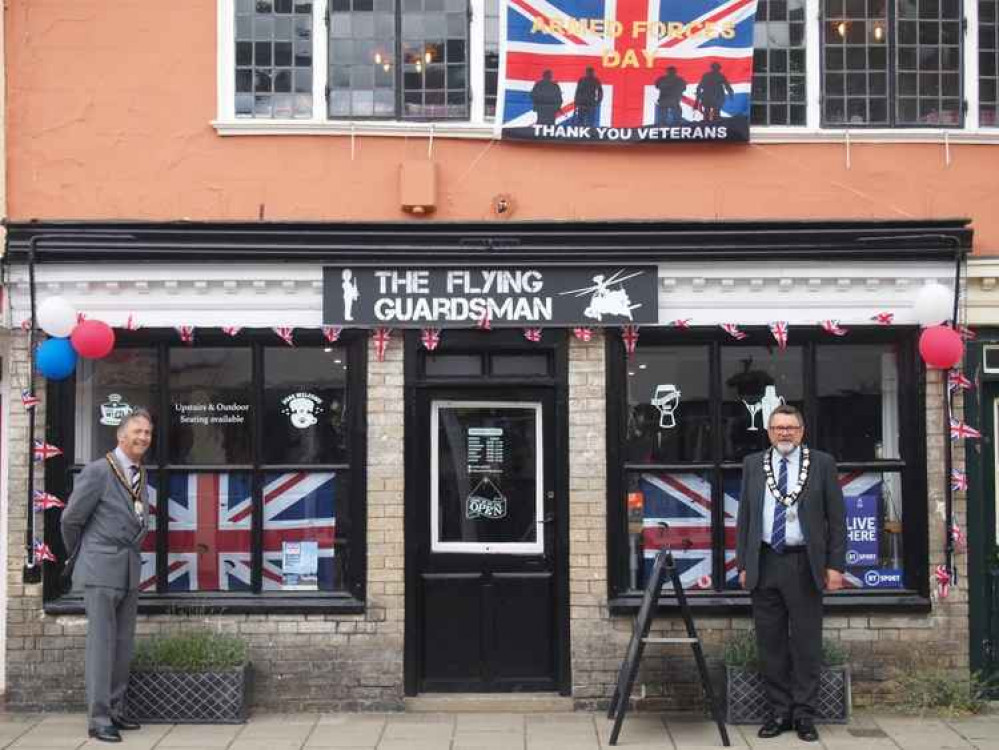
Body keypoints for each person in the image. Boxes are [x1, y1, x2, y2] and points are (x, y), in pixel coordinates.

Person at [735, 405, 845, 744]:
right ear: (769, 432)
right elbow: (744, 517)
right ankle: (779, 712)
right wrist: (743, 563)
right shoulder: (753, 464)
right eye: (778, 427)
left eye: (791, 428)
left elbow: (837, 519)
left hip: (804, 564)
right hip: (765, 561)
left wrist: (835, 566)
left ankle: (804, 715)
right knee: (771, 644)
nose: (785, 433)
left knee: (806, 643)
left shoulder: (822, 464)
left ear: (802, 431)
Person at [62, 410, 153, 743]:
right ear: (120, 436)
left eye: (147, 432)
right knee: (101, 645)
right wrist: (85, 553)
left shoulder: (140, 472)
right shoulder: (98, 471)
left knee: (122, 644)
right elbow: (70, 520)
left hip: (129, 567)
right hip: (100, 568)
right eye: (137, 432)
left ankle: (115, 710)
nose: (143, 437)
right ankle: (98, 718)